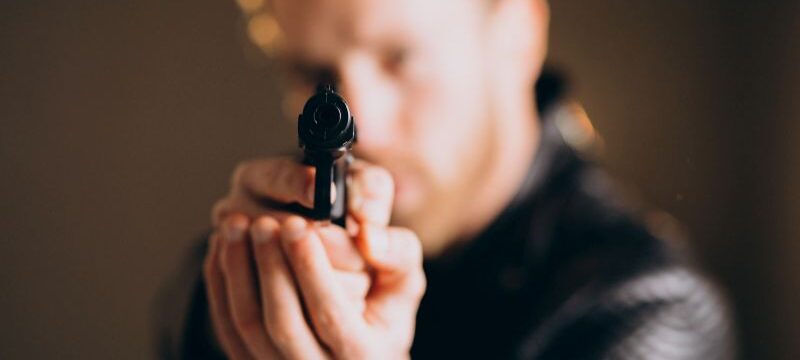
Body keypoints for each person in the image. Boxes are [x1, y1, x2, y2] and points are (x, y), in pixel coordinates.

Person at [155, 0, 735, 358]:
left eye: (402, 57)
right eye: (316, 74)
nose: (364, 126)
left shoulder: (644, 311)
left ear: (518, 34)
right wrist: (222, 312)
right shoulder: (290, 215)